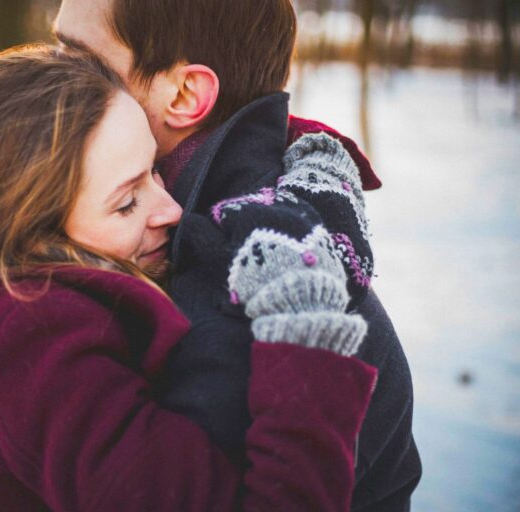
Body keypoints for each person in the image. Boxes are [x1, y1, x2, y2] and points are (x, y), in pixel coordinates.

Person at [0, 45, 377, 511]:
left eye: (155, 170)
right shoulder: (43, 355)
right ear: (31, 236)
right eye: (126, 202)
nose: (170, 210)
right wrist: (306, 334)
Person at [51, 0, 422, 510]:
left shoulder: (241, 295)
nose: (46, 74)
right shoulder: (134, 224)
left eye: (77, 58)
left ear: (185, 94)